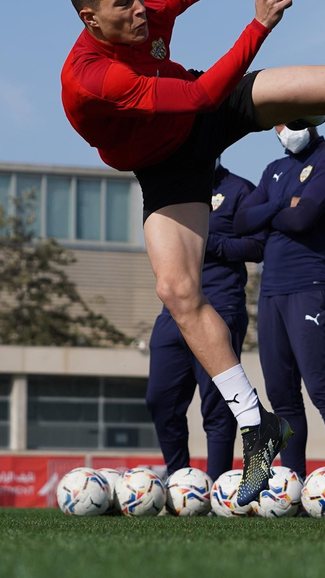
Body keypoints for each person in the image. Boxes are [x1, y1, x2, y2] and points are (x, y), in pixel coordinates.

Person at [61, 0, 325, 503]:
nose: (140, 11)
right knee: (177, 291)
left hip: (203, 108)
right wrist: (259, 28)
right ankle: (258, 425)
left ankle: (291, 110)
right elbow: (201, 94)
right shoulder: (91, 76)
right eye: (123, 6)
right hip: (169, 160)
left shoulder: (150, 6)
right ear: (91, 18)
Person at [234, 124, 325, 514]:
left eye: (294, 119)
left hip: (310, 286)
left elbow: (303, 218)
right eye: (279, 122)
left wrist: (270, 212)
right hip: (270, 292)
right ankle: (295, 494)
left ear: (313, 118)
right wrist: (279, 205)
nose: (286, 129)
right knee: (283, 399)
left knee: (324, 392)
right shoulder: (274, 169)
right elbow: (242, 220)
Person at [144, 162, 263, 480]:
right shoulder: (174, 187)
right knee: (160, 401)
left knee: (217, 410)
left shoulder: (239, 189)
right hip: (173, 311)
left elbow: (258, 245)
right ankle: (181, 482)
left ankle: (216, 490)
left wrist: (210, 242)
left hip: (220, 306)